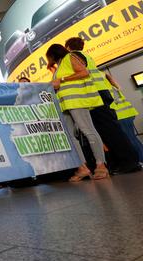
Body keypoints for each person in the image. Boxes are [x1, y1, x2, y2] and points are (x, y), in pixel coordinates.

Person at [64, 37, 140, 174]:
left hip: (96, 95)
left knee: (111, 130)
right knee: (107, 130)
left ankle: (129, 162)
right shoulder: (85, 56)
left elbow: (82, 74)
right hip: (100, 94)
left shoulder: (73, 56)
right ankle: (123, 162)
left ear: (68, 47)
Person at [46, 44, 109, 181]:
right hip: (65, 104)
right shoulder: (59, 67)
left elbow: (84, 72)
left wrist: (61, 80)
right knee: (70, 136)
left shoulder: (70, 57)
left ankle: (101, 165)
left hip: (77, 101)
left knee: (88, 130)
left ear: (52, 54)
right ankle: (83, 168)